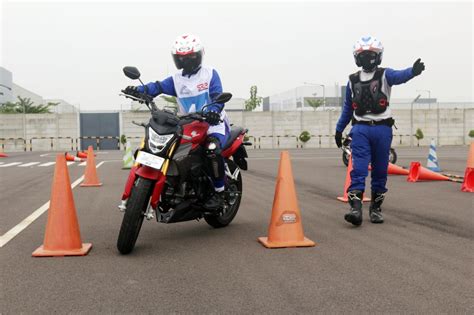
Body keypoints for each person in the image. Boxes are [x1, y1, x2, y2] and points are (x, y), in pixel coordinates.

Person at [124, 34, 230, 211]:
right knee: (171, 150)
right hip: (188, 124)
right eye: (181, 58)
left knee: (212, 149)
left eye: (189, 57)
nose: (185, 61)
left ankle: (219, 192)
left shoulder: (210, 73)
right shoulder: (176, 79)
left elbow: (217, 97)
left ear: (198, 55)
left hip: (213, 124)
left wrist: (213, 111)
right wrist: (139, 90)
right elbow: (156, 87)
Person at [335, 36, 425, 226]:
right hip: (360, 129)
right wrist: (339, 129)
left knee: (380, 171)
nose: (367, 58)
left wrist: (413, 72)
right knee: (358, 170)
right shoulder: (352, 80)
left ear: (378, 56)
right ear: (356, 57)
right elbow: (347, 108)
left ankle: (375, 209)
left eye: (371, 55)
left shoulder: (385, 75)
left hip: (383, 129)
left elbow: (400, 76)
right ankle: (355, 209)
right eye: (363, 55)